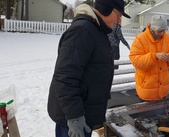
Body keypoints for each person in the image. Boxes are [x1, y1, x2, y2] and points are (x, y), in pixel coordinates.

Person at [47, 0, 130, 136]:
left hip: (84, 114)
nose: (119, 20)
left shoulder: (98, 30)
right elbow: (65, 78)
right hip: (73, 118)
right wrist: (74, 117)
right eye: (118, 15)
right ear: (106, 9)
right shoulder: (82, 31)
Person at [129, 15, 169, 101]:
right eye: (159, 31)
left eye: (164, 30)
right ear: (153, 28)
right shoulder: (140, 39)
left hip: (164, 89)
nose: (162, 33)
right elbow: (136, 61)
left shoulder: (168, 38)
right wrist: (154, 56)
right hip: (147, 89)